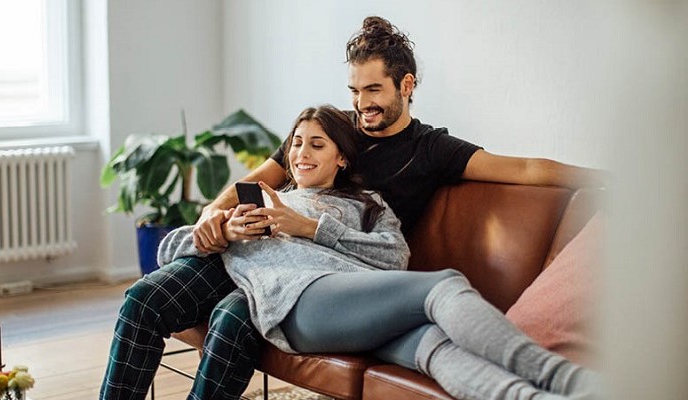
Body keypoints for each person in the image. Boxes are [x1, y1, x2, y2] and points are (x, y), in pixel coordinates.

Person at [99, 16, 603, 400]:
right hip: (258, 253)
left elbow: (529, 170)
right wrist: (214, 213)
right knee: (143, 302)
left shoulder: (431, 150)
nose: (362, 104)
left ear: (406, 86)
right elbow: (260, 180)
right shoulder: (329, 129)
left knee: (236, 324)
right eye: (355, 90)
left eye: (375, 90)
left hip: (331, 277)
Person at [159, 105, 600, 400]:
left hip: (352, 300)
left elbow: (394, 258)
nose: (301, 154)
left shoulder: (367, 204)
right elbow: (173, 247)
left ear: (341, 159)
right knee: (443, 284)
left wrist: (313, 228)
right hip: (297, 302)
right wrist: (219, 229)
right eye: (296, 144)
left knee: (436, 348)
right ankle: (572, 382)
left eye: (317, 145)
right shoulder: (260, 201)